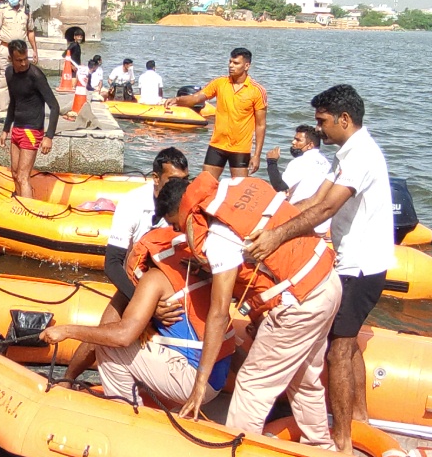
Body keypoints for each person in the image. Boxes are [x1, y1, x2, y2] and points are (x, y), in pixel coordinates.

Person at [243, 84, 393, 454]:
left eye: (323, 122)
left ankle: (341, 441)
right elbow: (313, 200)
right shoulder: (348, 152)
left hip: (361, 267)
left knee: (337, 350)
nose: (319, 130)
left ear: (344, 119)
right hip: (356, 261)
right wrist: (268, 218)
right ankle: (359, 417)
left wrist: (277, 237)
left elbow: (326, 210)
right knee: (349, 341)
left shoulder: (361, 156)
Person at [168, 172, 341, 447]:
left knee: (252, 384)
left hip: (300, 303)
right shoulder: (236, 186)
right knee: (305, 376)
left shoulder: (218, 236)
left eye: (176, 225)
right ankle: (322, 447)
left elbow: (219, 313)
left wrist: (199, 383)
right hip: (326, 282)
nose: (179, 233)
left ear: (183, 213)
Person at [43, 177, 235, 410]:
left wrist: (66, 331)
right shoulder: (193, 264)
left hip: (195, 381)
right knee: (131, 335)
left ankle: (126, 412)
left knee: (109, 346)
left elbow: (119, 336)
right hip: (218, 372)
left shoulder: (153, 279)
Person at [102, 146, 189, 300]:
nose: (181, 187)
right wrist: (143, 304)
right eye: (174, 181)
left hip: (174, 278)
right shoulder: (132, 203)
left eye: (185, 180)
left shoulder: (189, 202)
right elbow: (112, 263)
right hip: (138, 279)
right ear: (156, 178)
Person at [169, 48, 267, 179]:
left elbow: (260, 125)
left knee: (237, 190)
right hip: (217, 145)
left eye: (236, 63)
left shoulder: (257, 90)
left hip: (240, 148)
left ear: (247, 66)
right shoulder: (219, 83)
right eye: (230, 62)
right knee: (205, 185)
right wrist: (178, 100)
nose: (231, 66)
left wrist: (256, 156)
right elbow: (197, 98)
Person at [1, 40, 59, 199]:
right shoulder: (9, 73)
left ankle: (26, 213)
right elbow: (13, 101)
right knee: (14, 173)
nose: (24, 63)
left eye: (25, 58)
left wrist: (49, 137)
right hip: (17, 128)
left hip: (32, 130)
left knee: (22, 176)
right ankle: (18, 205)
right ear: (10, 59)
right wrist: (6, 129)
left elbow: (55, 106)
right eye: (19, 60)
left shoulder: (36, 75)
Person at [265, 125, 330, 232]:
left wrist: (271, 162)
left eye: (298, 140)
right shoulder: (326, 162)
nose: (293, 142)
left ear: (310, 145)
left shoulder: (300, 162)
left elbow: (280, 186)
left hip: (303, 222)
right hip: (323, 223)